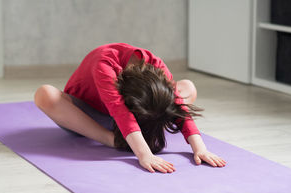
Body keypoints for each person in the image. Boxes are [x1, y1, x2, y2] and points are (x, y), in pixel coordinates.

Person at [34, 42, 226, 173]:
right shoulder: (104, 63)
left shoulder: (156, 64)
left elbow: (177, 103)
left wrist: (199, 148)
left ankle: (135, 133)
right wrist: (144, 154)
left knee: (187, 87)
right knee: (45, 94)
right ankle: (112, 140)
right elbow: (119, 110)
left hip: (138, 117)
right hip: (90, 119)